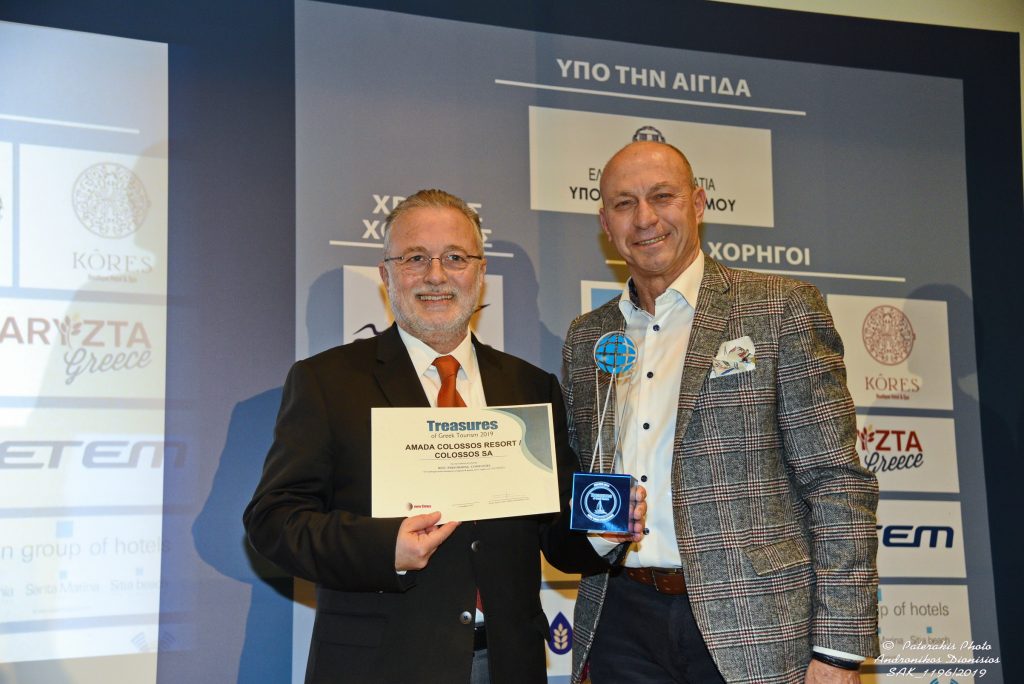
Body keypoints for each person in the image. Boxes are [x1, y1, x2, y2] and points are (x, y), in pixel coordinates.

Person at [243, 189, 629, 684]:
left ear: (480, 272)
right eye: (414, 258)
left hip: (510, 664)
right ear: (386, 275)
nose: (436, 275)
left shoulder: (530, 386)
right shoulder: (327, 381)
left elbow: (556, 535)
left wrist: (602, 528)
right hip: (381, 667)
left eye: (455, 257)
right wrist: (385, 548)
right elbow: (274, 521)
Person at [562, 142, 879, 684]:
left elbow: (835, 481)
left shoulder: (779, 308)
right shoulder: (587, 336)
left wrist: (839, 650)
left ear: (698, 203)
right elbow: (582, 475)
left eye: (662, 196)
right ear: (605, 223)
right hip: (621, 620)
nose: (645, 218)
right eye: (624, 203)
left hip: (756, 623)